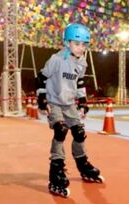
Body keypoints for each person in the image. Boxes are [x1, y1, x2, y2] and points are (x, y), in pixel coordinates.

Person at [36, 23, 103, 197]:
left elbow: (79, 83)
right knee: (61, 130)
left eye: (83, 45)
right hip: (54, 101)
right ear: (67, 43)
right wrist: (42, 100)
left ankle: (83, 165)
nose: (80, 48)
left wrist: (82, 102)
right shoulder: (56, 60)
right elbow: (41, 77)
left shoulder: (82, 62)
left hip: (69, 103)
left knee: (79, 132)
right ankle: (56, 172)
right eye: (76, 44)